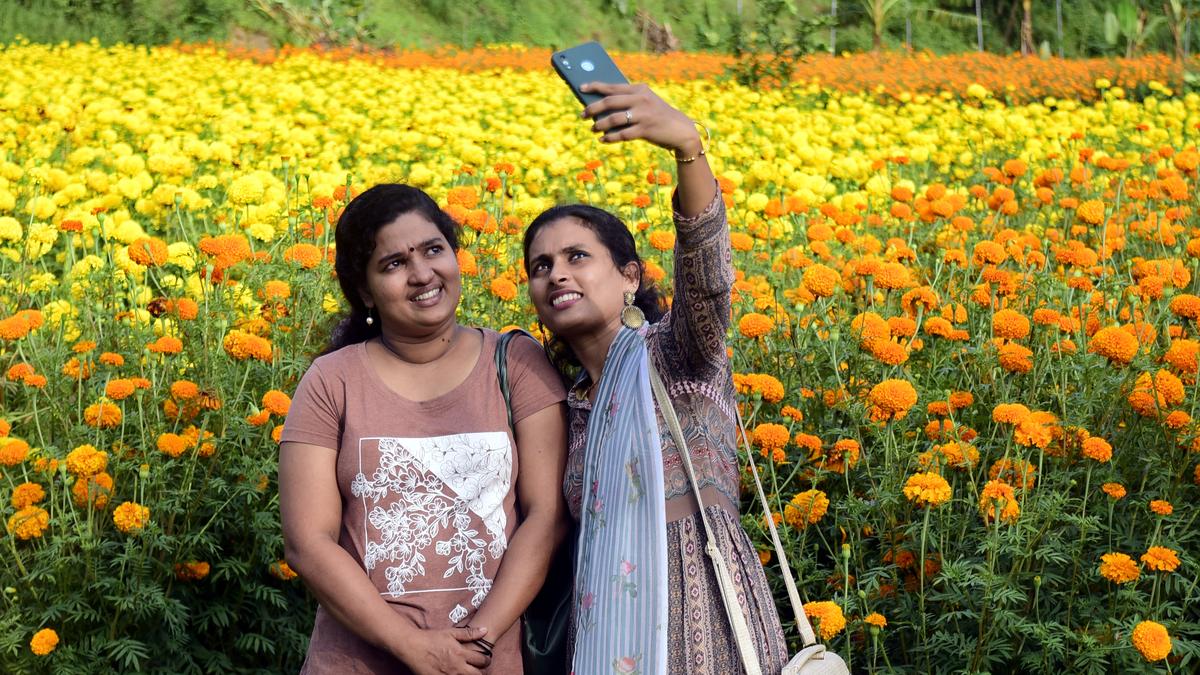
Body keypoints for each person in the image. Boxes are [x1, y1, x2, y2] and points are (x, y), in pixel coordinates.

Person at [523, 83, 789, 675]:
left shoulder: (680, 356)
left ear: (628, 277)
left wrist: (688, 149)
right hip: (604, 632)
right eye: (541, 267)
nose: (556, 274)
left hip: (704, 612)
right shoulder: (563, 410)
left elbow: (709, 278)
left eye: (576, 257)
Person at [279, 184, 569, 675]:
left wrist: (477, 644)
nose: (421, 274)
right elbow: (308, 542)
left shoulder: (517, 363)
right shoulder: (331, 381)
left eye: (433, 250)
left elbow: (547, 515)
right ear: (365, 290)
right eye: (393, 264)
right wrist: (412, 646)